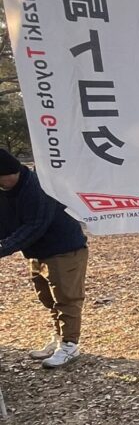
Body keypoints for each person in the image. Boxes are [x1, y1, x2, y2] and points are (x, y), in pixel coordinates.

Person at [0, 149, 88, 368]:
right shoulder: (5, 190)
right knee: (48, 299)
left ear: (10, 173)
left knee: (67, 299)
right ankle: (59, 338)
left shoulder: (39, 187)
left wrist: (3, 248)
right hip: (36, 252)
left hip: (63, 249)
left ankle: (70, 345)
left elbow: (35, 225)